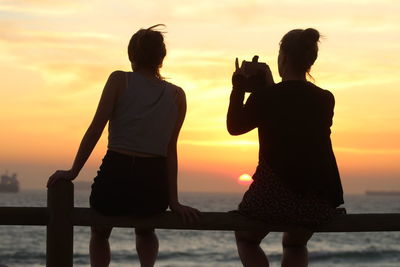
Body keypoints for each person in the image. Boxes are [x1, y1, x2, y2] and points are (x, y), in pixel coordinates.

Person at [47, 24, 200, 267]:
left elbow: (96, 128)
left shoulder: (120, 80)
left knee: (100, 231)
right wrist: (174, 201)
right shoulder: (177, 95)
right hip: (154, 181)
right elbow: (171, 150)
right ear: (162, 58)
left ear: (132, 56)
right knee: (146, 230)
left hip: (117, 173)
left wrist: (73, 171)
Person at [227, 28, 344, 267]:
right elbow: (289, 109)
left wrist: (239, 85)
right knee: (295, 244)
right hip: (318, 200)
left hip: (273, 196)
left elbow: (235, 126)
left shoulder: (266, 98)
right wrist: (267, 83)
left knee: (245, 238)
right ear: (310, 61)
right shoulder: (325, 99)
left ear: (283, 57)